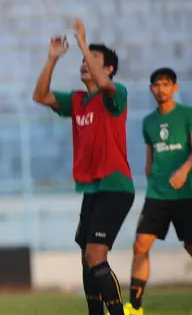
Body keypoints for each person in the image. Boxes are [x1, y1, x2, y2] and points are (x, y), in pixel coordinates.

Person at [31, 18, 135, 315]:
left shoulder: (115, 94)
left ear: (109, 69)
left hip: (115, 186)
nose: (84, 63)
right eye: (83, 59)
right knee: (86, 256)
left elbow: (104, 85)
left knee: (95, 255)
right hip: (93, 188)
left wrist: (81, 42)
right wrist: (52, 59)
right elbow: (40, 96)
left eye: (93, 59)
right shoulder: (77, 101)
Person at [124, 68, 192, 315]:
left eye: (166, 84)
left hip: (186, 194)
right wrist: (150, 173)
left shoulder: (187, 115)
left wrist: (184, 170)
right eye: (156, 85)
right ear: (151, 88)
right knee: (140, 245)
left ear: (175, 87)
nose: (161, 89)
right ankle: (135, 307)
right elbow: (150, 157)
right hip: (157, 195)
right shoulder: (148, 122)